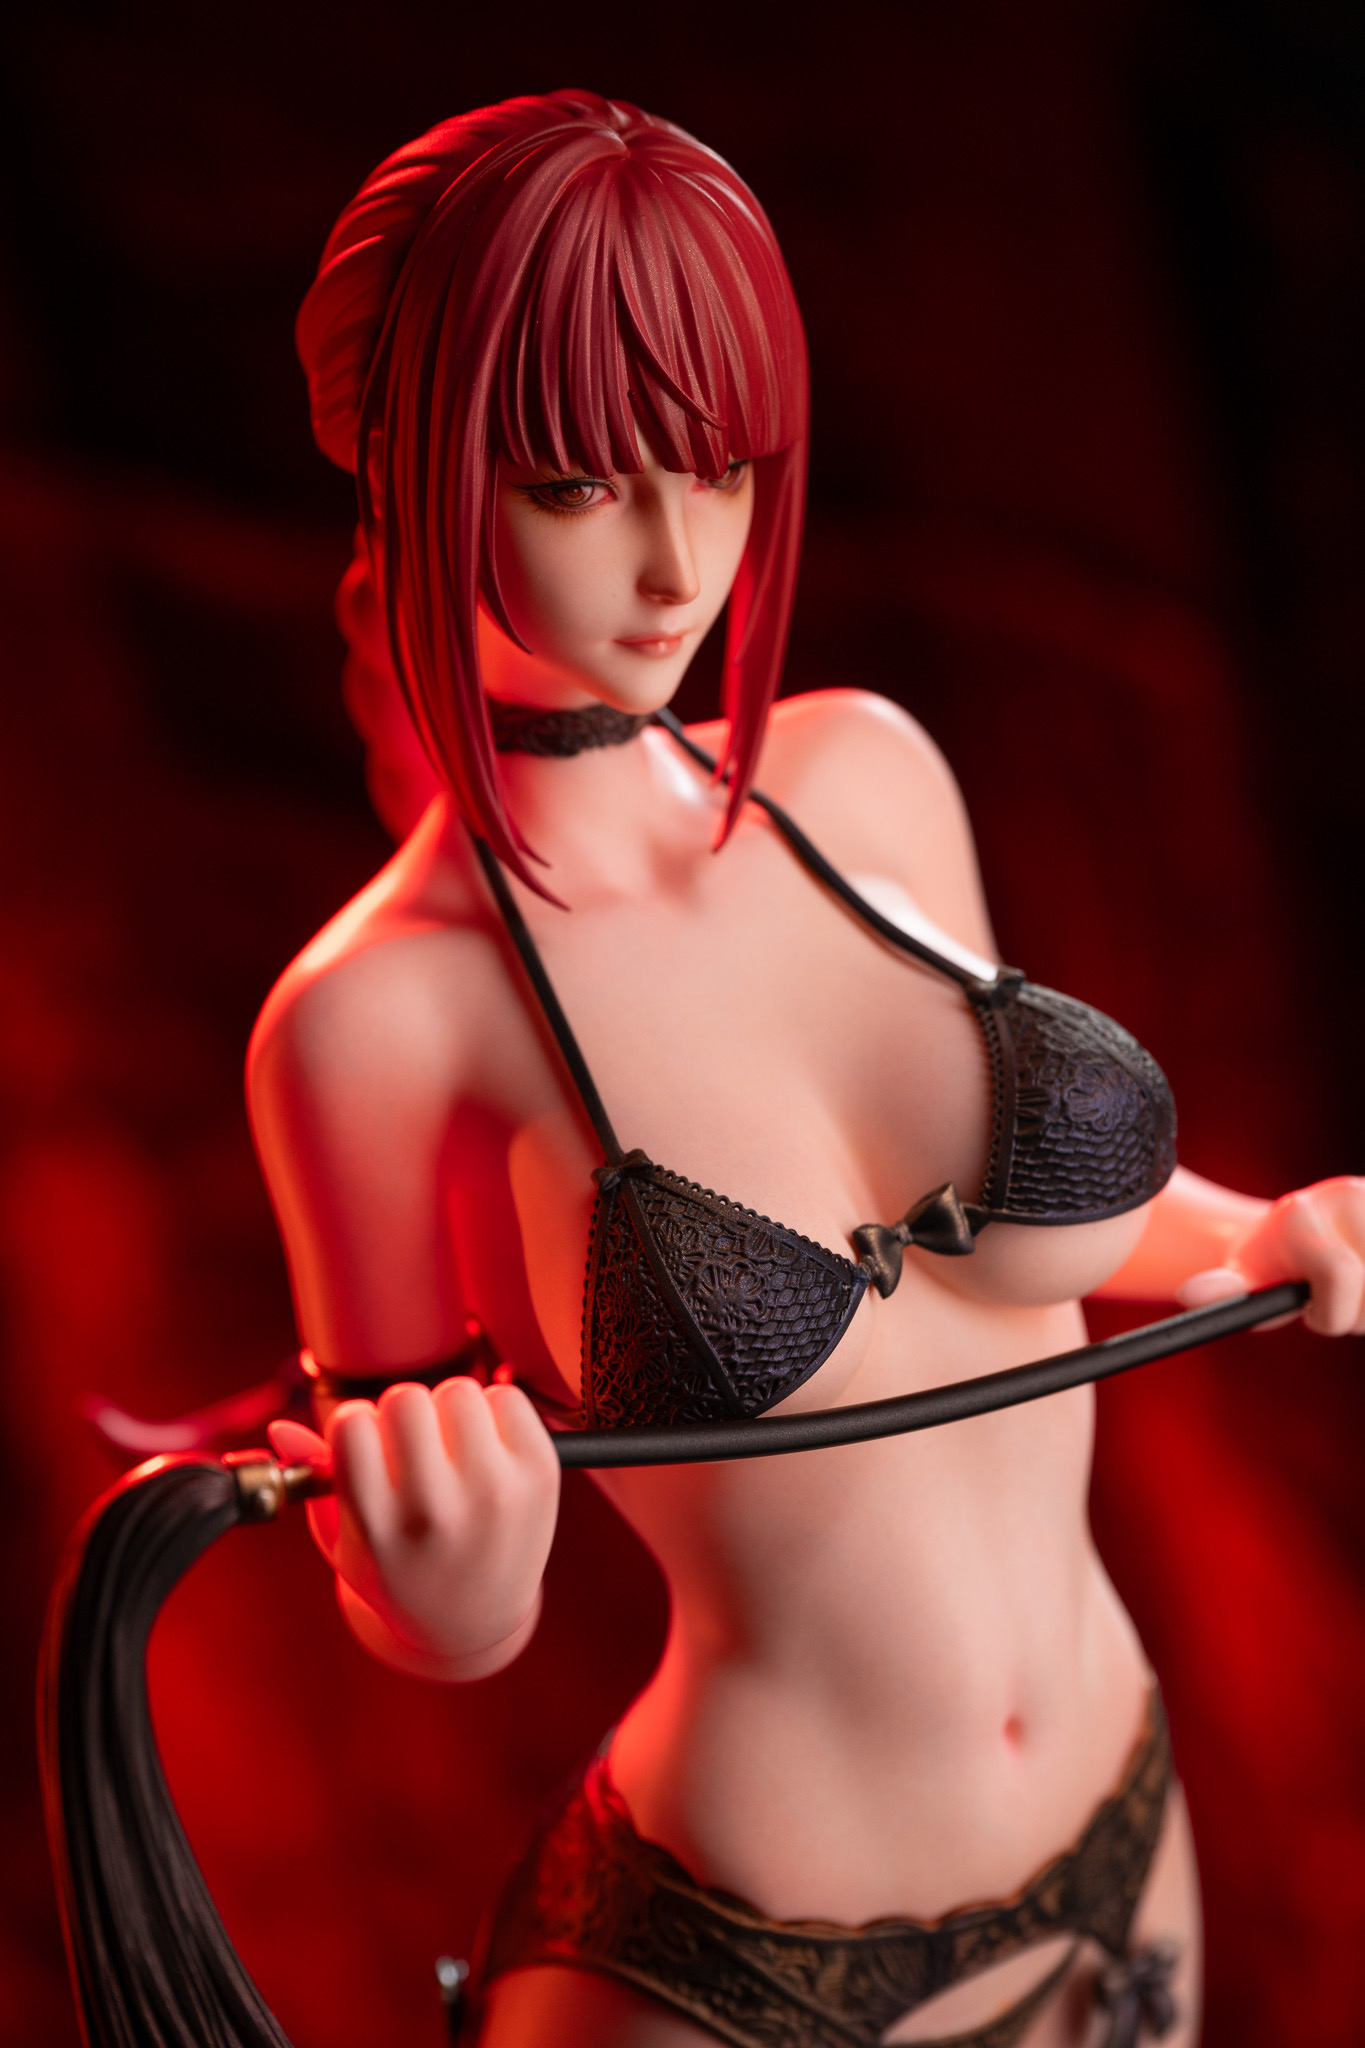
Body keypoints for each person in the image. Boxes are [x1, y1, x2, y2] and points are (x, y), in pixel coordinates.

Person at [248, 90, 1365, 2047]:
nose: (677, 565)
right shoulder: (375, 1020)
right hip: (729, 1956)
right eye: (579, 486)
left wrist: (1251, 1232)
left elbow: (1015, 1234)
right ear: (416, 481)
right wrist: (442, 1571)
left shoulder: (866, 779)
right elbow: (416, 1588)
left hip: (1113, 1827)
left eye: (720, 469)